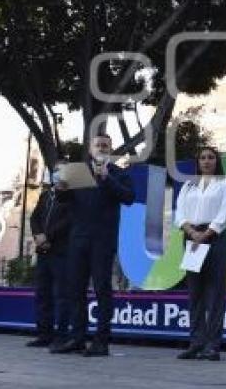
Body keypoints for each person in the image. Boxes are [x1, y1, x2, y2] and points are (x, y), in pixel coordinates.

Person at [50, 134, 134, 357]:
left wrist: (107, 178)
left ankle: (101, 342)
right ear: (90, 149)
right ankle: (77, 338)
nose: (102, 148)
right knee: (75, 290)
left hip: (103, 241)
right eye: (98, 145)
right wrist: (60, 188)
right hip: (78, 240)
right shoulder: (78, 173)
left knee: (102, 290)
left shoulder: (118, 173)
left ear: (111, 149)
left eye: (106, 145)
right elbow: (62, 201)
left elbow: (129, 197)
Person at [174, 146, 226, 361]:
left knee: (216, 293)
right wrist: (191, 231)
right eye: (203, 158)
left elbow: (225, 212)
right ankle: (196, 342)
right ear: (198, 162)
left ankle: (213, 345)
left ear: (217, 161)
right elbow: (179, 212)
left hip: (215, 238)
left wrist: (207, 233)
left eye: (211, 158)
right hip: (191, 237)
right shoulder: (189, 185)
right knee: (195, 293)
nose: (207, 161)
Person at [26, 164, 71, 348]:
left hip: (60, 251)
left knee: (61, 295)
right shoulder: (45, 195)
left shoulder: (71, 197)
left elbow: (69, 221)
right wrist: (38, 235)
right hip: (42, 251)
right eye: (56, 170)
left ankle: (61, 335)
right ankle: (44, 334)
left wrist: (48, 236)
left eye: (62, 170)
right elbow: (34, 217)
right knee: (42, 293)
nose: (58, 173)